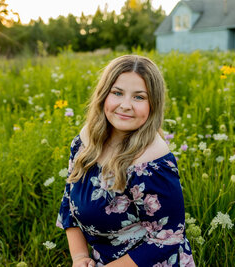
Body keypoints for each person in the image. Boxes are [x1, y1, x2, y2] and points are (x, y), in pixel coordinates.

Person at [56, 55, 195, 267]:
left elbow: (166, 237)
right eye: (117, 93)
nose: (125, 105)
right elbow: (69, 202)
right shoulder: (85, 142)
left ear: (153, 105)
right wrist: (79, 257)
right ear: (104, 95)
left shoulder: (152, 163)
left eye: (139, 97)